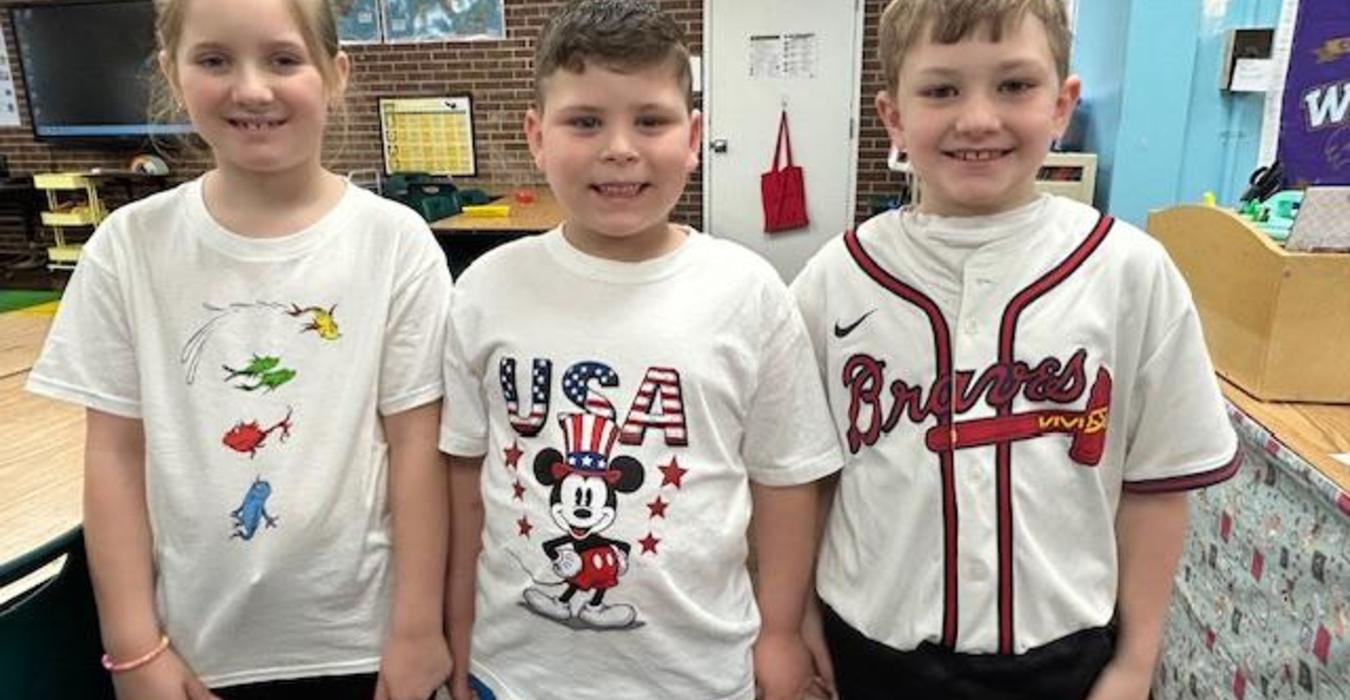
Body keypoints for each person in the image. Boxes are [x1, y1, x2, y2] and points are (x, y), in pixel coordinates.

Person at [790, 1, 1242, 698]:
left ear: (1062, 104)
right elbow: (809, 480)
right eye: (941, 90)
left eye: (1014, 85)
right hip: (873, 651)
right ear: (894, 117)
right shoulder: (835, 278)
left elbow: (1156, 486)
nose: (977, 118)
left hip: (1067, 661)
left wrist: (1136, 661)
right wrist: (792, 620)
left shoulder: (1129, 272)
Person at [26, 0, 452, 698]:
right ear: (172, 72)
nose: (252, 89)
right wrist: (132, 648)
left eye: (283, 59)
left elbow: (417, 449)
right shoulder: (128, 249)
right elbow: (113, 456)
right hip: (195, 652)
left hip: (363, 649)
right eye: (214, 60)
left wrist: (416, 630)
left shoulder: (394, 242)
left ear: (334, 75)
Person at [439, 1, 842, 699]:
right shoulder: (485, 290)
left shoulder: (748, 293)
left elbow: (785, 482)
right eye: (585, 121)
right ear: (537, 135)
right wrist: (455, 629)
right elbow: (464, 488)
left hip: (699, 672)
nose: (620, 147)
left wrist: (779, 631)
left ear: (693, 137)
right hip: (515, 673)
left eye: (650, 121)